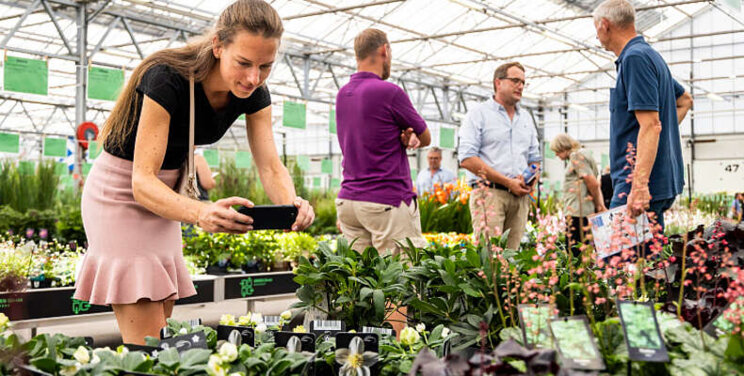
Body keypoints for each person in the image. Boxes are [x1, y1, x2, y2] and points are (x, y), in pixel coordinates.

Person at [74, 0, 314, 345]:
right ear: (218, 45)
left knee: (160, 322)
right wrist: (201, 212)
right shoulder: (166, 78)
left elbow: (270, 165)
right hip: (120, 194)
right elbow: (142, 182)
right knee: (147, 340)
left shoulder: (254, 92)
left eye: (265, 66)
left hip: (168, 199)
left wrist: (293, 206)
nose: (253, 77)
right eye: (243, 63)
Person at [593, 0, 692, 232]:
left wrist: (639, 185)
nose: (596, 34)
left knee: (616, 263)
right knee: (648, 264)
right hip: (654, 183)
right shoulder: (649, 56)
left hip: (636, 186)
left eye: (596, 27)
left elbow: (651, 125)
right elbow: (684, 100)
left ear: (604, 25)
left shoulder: (635, 59)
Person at [335, 28, 431, 254]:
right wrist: (413, 136)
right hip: (386, 201)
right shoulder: (389, 92)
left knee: (363, 282)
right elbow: (426, 136)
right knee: (402, 279)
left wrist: (404, 136)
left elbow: (372, 134)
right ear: (384, 50)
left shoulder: (343, 94)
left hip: (349, 203)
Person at [458, 62, 541, 251]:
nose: (520, 86)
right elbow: (467, 158)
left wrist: (530, 180)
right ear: (498, 83)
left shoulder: (526, 118)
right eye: (515, 81)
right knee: (491, 261)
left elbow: (535, 158)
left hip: (519, 199)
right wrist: (507, 181)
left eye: (523, 82)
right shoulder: (478, 114)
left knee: (512, 261)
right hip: (489, 196)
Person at [550, 134, 607, 254]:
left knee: (574, 251)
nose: (556, 155)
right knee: (584, 249)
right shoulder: (585, 154)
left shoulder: (576, 156)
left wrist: (600, 206)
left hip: (577, 212)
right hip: (583, 210)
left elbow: (592, 183)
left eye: (557, 151)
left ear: (563, 147)